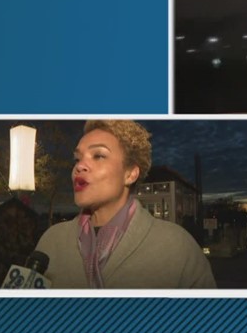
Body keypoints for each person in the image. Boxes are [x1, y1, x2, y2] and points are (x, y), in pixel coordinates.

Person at [35, 120, 216, 289]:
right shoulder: (51, 241)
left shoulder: (178, 246)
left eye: (98, 155)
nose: (79, 166)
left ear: (130, 174)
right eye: (77, 158)